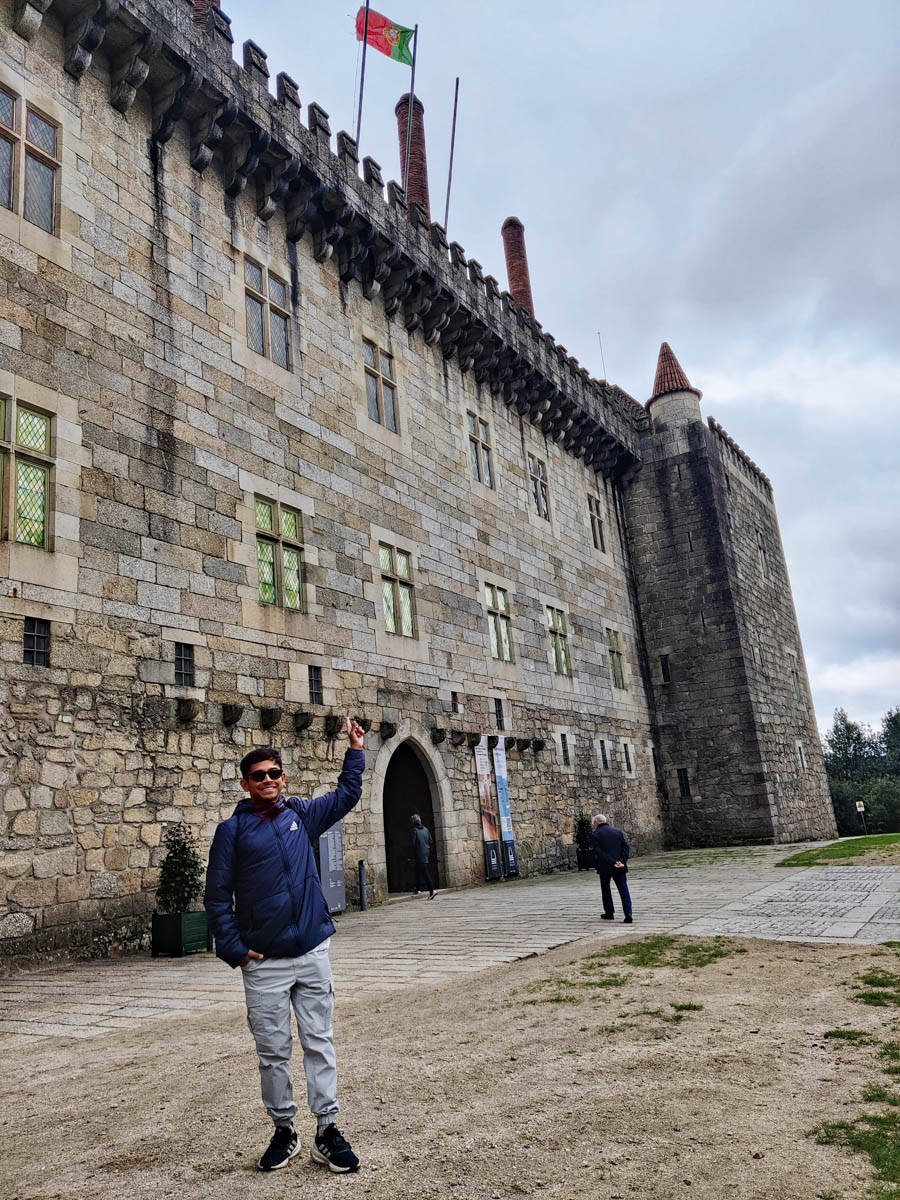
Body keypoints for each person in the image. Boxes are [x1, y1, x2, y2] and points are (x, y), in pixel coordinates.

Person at [204, 717, 365, 1174]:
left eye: (275, 773)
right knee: (273, 1053)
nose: (269, 781)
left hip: (311, 950)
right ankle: (283, 1129)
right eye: (259, 776)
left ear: (283, 777)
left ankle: (327, 1130)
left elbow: (346, 796)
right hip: (265, 962)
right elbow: (216, 896)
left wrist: (355, 751)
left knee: (320, 1042)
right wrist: (234, 949)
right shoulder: (231, 833)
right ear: (246, 782)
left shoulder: (301, 816)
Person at [590, 812, 633, 924]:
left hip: (605, 867)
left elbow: (599, 852)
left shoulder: (595, 835)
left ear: (596, 823)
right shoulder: (617, 832)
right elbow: (625, 848)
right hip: (620, 866)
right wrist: (621, 861)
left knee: (606, 889)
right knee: (623, 889)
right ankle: (628, 913)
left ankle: (609, 912)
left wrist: (612, 862)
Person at [410, 812, 435, 898]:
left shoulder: (414, 830)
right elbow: (431, 841)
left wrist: (410, 856)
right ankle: (417, 889)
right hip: (426, 853)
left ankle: (432, 890)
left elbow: (413, 844)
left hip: (419, 854)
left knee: (424, 872)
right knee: (417, 870)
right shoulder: (426, 829)